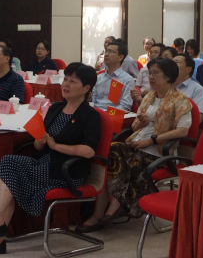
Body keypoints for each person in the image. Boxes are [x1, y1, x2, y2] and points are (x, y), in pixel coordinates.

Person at [0, 63, 100, 255]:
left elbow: (88, 151)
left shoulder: (90, 116)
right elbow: (40, 144)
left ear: (86, 88)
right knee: (6, 163)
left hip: (67, 171)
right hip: (45, 163)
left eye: (72, 81)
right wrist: (40, 142)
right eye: (65, 79)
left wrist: (55, 146)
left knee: (9, 172)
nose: (66, 84)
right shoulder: (55, 108)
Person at [77, 58, 192, 232]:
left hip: (159, 151)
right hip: (138, 142)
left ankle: (110, 209)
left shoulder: (181, 100)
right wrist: (142, 123)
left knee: (126, 160)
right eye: (149, 73)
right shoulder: (149, 97)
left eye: (155, 73)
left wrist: (151, 140)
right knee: (107, 156)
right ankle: (105, 209)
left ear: (168, 76)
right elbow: (134, 127)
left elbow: (182, 131)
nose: (150, 77)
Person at [91, 42, 135, 112]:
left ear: (120, 57)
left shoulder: (127, 80)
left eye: (111, 52)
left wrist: (106, 115)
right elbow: (93, 99)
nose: (106, 54)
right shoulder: (99, 77)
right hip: (95, 113)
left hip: (113, 115)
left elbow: (125, 106)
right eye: (106, 51)